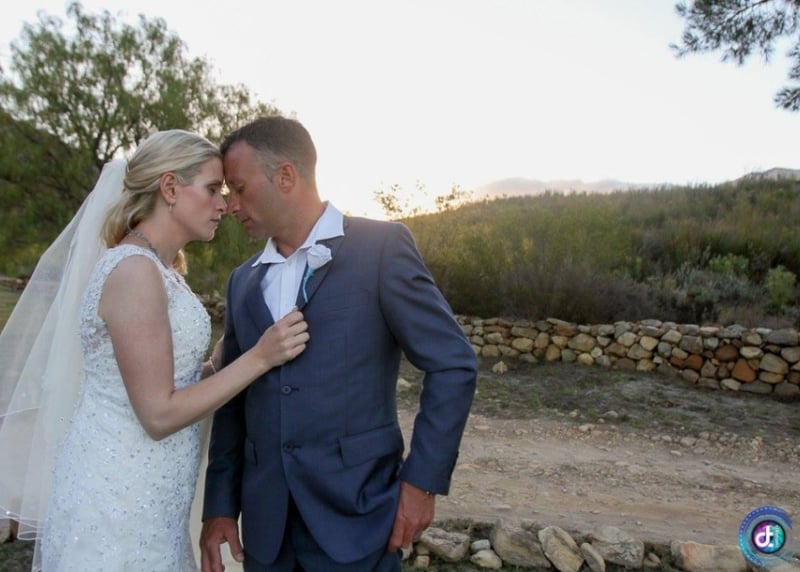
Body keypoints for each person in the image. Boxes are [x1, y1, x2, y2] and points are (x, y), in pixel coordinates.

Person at [0, 129, 309, 571]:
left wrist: (218, 362)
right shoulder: (133, 272)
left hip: (150, 494)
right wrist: (259, 357)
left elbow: (167, 383)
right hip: (119, 499)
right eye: (212, 190)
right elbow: (159, 414)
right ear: (170, 188)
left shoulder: (157, 269)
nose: (224, 206)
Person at [199, 115, 477, 572]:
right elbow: (232, 398)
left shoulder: (381, 249)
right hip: (267, 533)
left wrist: (421, 483)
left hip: (359, 515)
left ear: (285, 176)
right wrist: (220, 506)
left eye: (240, 188)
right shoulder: (242, 282)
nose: (231, 206)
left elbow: (452, 364)